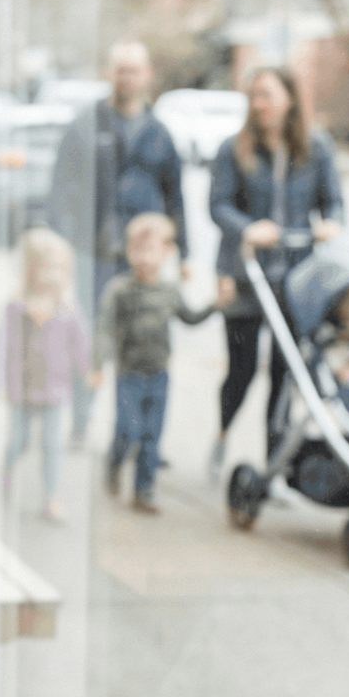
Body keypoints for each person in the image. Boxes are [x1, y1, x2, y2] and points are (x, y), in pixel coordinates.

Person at [47, 41, 188, 445]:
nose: (127, 77)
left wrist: (185, 252)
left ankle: (137, 436)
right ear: (111, 74)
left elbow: (175, 195)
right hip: (97, 254)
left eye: (134, 70)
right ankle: (80, 421)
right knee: (91, 339)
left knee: (142, 344)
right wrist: (64, 241)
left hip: (142, 259)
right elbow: (62, 185)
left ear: (147, 76)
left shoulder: (159, 134)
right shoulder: (86, 124)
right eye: (120, 70)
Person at [208, 66, 343, 481]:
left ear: (289, 98)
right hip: (248, 276)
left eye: (267, 94)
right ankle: (223, 433)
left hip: (296, 279)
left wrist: (330, 225)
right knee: (243, 369)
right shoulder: (235, 150)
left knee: (286, 375)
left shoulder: (316, 149)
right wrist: (248, 228)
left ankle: (273, 462)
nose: (259, 104)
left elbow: (334, 203)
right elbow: (218, 205)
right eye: (254, 95)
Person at [99, 212, 226, 513]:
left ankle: (144, 491)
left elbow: (190, 318)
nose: (145, 258)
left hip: (159, 375)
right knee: (128, 429)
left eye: (152, 251)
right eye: (139, 251)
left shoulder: (169, 291)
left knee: (151, 435)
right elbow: (105, 327)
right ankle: (114, 463)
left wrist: (215, 304)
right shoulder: (121, 289)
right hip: (129, 375)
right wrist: (98, 364)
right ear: (129, 252)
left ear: (166, 253)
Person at [0, 227, 91, 521]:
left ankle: (50, 497)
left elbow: (81, 345)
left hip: (55, 390)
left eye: (61, 268)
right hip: (22, 390)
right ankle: (6, 477)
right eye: (47, 267)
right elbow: (2, 346)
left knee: (52, 446)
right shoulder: (16, 308)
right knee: (19, 441)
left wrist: (88, 372)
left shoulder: (69, 309)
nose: (54, 275)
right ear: (30, 269)